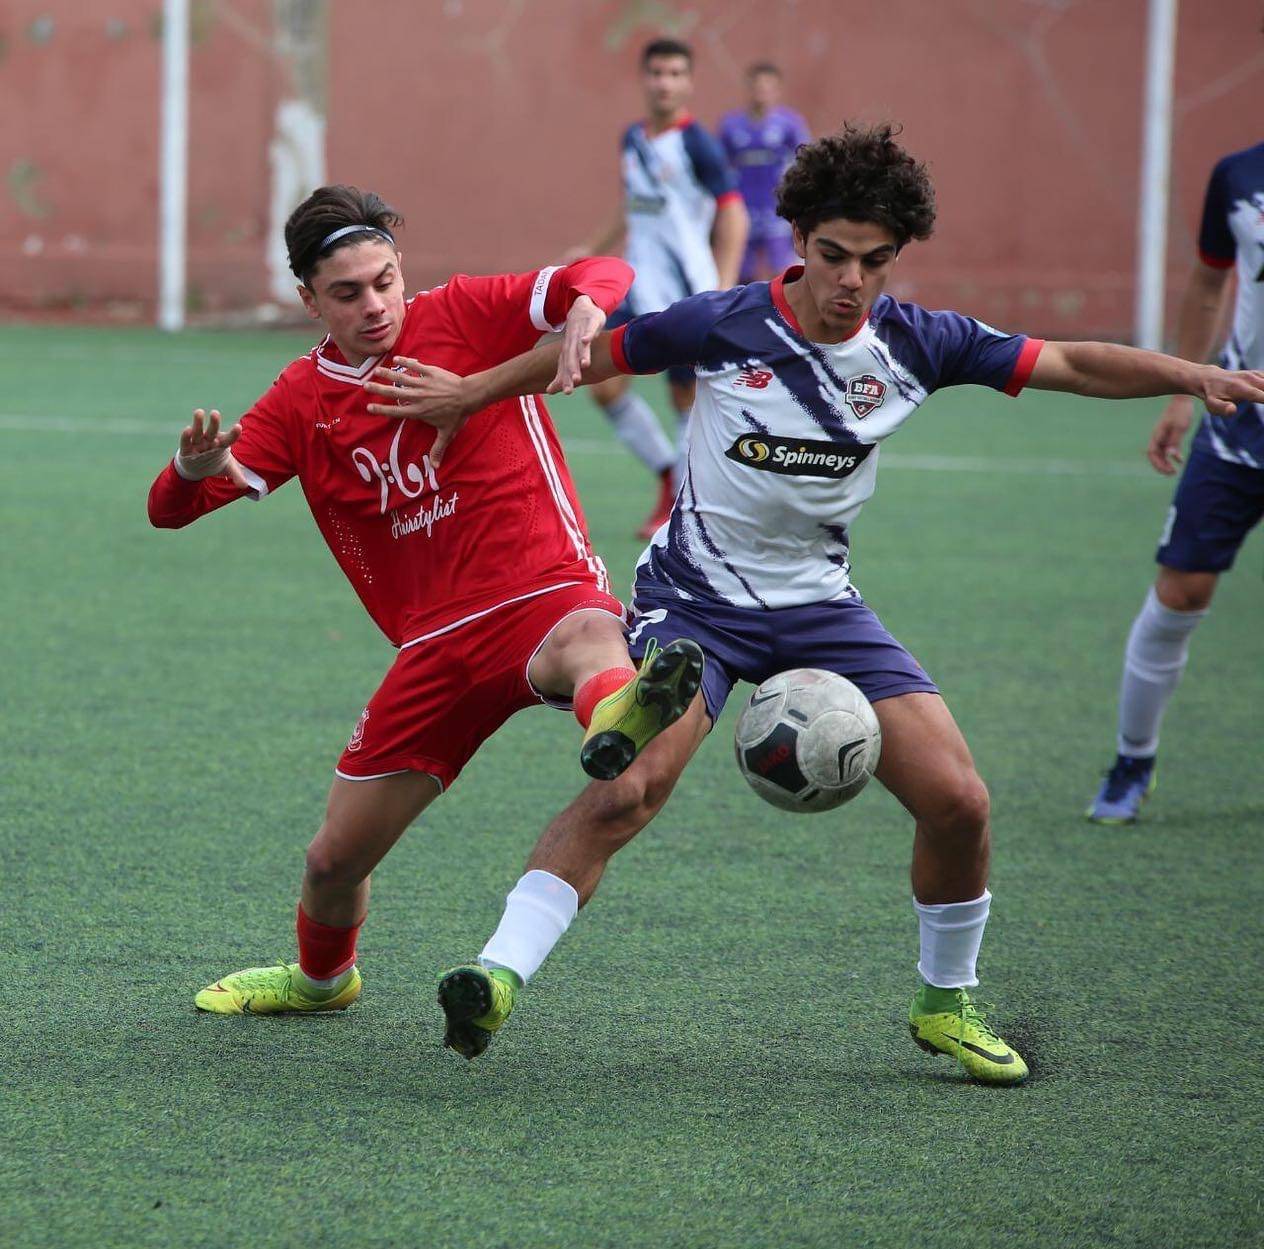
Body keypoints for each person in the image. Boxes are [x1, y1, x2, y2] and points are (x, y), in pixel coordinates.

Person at [388, 125, 1264, 1081]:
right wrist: (470, 392)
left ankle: (944, 1004)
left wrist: (1193, 374)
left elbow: (1073, 364)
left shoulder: (920, 343)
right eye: (835, 254)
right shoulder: (721, 323)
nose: (851, 278)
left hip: (820, 609)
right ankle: (497, 974)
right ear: (799, 238)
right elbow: (584, 363)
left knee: (961, 802)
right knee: (629, 789)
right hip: (697, 600)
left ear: (897, 257)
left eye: (875, 261)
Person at [147, 184, 703, 1017]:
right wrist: (193, 469)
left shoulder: (467, 312)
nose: (375, 305)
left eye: (384, 280)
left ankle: (620, 712)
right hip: (434, 649)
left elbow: (603, 268)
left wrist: (587, 309)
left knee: (589, 634)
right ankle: (321, 982)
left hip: (541, 590)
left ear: (401, 269)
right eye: (347, 292)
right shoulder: (302, 400)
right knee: (334, 861)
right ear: (308, 300)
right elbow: (170, 509)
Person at [1087, 140, 1264, 824]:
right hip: (1240, 418)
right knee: (1181, 589)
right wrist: (1181, 394)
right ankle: (1133, 760)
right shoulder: (1238, 176)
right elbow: (1208, 281)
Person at [578, 37, 748, 539]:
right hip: (635, 284)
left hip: (686, 293)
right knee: (600, 381)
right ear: (644, 79)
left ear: (688, 82)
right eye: (657, 73)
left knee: (684, 402)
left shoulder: (699, 143)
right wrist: (588, 249)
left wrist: (721, 285)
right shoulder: (631, 137)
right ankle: (668, 474)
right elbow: (633, 204)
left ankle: (683, 504)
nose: (665, 83)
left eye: (675, 74)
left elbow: (732, 211)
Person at [718, 62, 812, 283]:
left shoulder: (790, 124)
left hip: (776, 211)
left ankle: (782, 315)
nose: (762, 92)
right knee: (741, 273)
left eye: (768, 87)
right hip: (743, 210)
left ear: (777, 90)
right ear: (748, 87)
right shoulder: (730, 125)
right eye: (757, 86)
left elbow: (807, 162)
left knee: (782, 271)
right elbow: (719, 168)